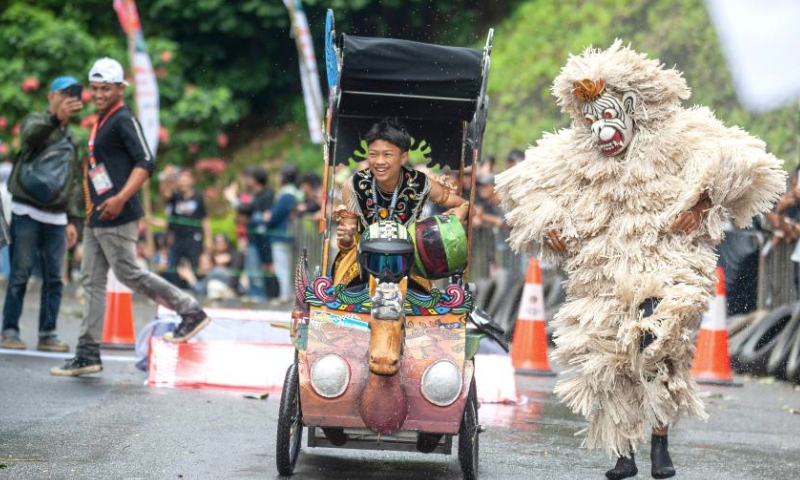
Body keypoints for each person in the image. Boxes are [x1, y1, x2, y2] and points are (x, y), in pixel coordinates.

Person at [494, 41, 786, 480]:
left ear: (630, 105)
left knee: (660, 348)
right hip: (602, 276)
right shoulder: (573, 153)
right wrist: (545, 225)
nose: (600, 130)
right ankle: (623, 452)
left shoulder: (679, 136)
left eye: (608, 116)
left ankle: (660, 442)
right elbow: (523, 189)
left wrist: (703, 201)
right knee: (610, 363)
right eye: (591, 120)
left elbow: (747, 162)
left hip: (666, 263)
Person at [51, 58, 209, 377]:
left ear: (120, 89)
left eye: (105, 89)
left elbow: (146, 162)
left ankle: (190, 311)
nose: (97, 94)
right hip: (97, 217)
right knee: (91, 281)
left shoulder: (123, 118)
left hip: (117, 214)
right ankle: (87, 353)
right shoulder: (102, 119)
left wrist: (120, 198)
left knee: (129, 274)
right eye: (94, 89)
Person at [333, 118, 470, 288]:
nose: (379, 162)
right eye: (373, 154)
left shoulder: (420, 182)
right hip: (363, 262)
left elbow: (465, 205)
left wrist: (463, 211)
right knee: (346, 297)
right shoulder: (354, 184)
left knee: (424, 301)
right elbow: (347, 239)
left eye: (387, 155)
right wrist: (346, 237)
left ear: (403, 157)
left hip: (409, 263)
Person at [1, 76, 84, 352]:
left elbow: (73, 182)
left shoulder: (72, 137)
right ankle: (9, 330)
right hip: (27, 211)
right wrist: (53, 118)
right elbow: (28, 138)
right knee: (20, 274)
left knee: (54, 279)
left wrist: (73, 220)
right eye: (62, 94)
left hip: (57, 218)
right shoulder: (36, 121)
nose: (66, 99)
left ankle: (47, 333)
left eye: (72, 95)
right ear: (50, 96)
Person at [264, 165, 303, 305]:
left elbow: (274, 216)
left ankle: (284, 295)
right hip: (291, 235)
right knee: (290, 266)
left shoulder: (286, 195)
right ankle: (289, 293)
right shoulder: (297, 193)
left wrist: (267, 217)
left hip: (281, 235)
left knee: (282, 267)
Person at [165, 168, 212, 273]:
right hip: (178, 237)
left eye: (186, 180)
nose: (183, 183)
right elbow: (165, 194)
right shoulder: (175, 197)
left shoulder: (198, 197)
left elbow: (205, 219)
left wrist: (208, 239)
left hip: (194, 237)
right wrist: (168, 177)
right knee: (173, 267)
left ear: (192, 181)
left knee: (194, 266)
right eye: (181, 180)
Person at [242, 166, 274, 300]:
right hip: (252, 237)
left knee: (257, 271)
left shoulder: (267, 194)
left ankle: (260, 297)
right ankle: (254, 294)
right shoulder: (254, 195)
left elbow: (254, 212)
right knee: (251, 269)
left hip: (263, 237)